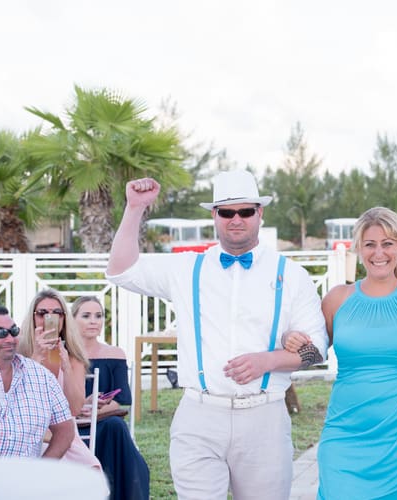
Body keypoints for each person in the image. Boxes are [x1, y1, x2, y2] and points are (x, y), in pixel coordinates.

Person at [105, 170, 328, 500]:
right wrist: (134, 208)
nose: (236, 219)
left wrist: (268, 361)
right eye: (226, 212)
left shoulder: (290, 274)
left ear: (259, 213)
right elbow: (120, 270)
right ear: (214, 216)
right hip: (199, 415)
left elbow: (317, 349)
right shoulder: (186, 268)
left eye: (245, 211)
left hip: (264, 418)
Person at [309, 206, 397, 499]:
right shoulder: (337, 298)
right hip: (347, 431)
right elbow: (315, 353)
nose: (379, 253)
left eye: (387, 244)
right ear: (358, 249)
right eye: (370, 244)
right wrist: (291, 339)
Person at [72, 296, 150, 500]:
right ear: (72, 320)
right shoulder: (62, 353)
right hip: (67, 421)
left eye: (98, 316)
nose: (93, 321)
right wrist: (76, 408)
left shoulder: (114, 353)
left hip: (103, 420)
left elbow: (122, 397)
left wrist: (93, 411)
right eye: (86, 316)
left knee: (116, 426)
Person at [18, 288, 103, 470]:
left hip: (64, 432)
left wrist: (67, 367)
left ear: (65, 319)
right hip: (27, 429)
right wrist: (35, 359)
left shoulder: (73, 356)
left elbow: (74, 408)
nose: (50, 318)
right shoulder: (20, 351)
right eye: (42, 313)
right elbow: (14, 399)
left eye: (57, 313)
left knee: (91, 469)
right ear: (33, 318)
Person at [0, 305, 75, 458]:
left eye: (14, 331)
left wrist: (41, 470)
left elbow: (65, 430)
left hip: (25, 478)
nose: (10, 339)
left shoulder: (42, 376)